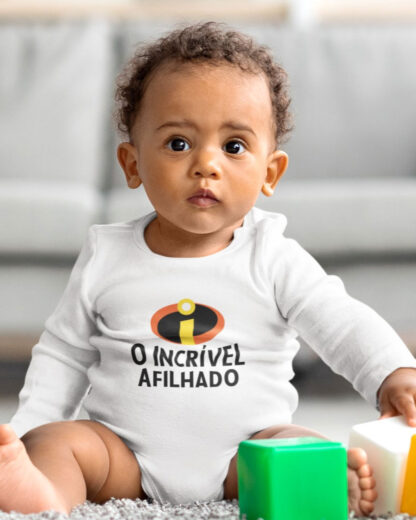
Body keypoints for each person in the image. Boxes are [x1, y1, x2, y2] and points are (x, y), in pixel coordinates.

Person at [1, 21, 416, 517]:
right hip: (123, 458)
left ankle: (319, 486)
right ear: (132, 164)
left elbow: (341, 321)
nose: (206, 165)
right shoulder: (106, 256)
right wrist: (29, 433)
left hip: (247, 456)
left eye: (234, 146)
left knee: (299, 445)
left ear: (270, 173)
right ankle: (41, 491)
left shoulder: (272, 256)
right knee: (59, 442)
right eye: (178, 143)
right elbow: (63, 355)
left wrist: (392, 372)